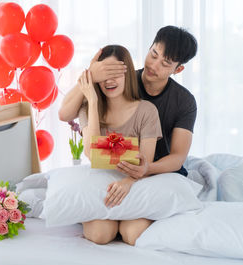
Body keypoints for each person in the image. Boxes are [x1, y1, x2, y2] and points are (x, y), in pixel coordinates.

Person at [59, 25, 198, 180]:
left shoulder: (184, 101)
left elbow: (178, 157)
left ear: (177, 70)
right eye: (153, 54)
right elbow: (65, 114)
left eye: (165, 63)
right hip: (120, 170)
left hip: (160, 173)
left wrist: (143, 169)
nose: (153, 65)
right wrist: (90, 74)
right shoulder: (118, 82)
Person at [77, 45, 162, 245]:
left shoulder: (147, 110)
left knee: (133, 234)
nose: (109, 80)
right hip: (101, 188)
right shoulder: (87, 108)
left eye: (115, 73)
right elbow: (91, 152)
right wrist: (92, 100)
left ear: (128, 74)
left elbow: (145, 163)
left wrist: (127, 182)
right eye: (104, 74)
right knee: (101, 234)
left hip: (134, 186)